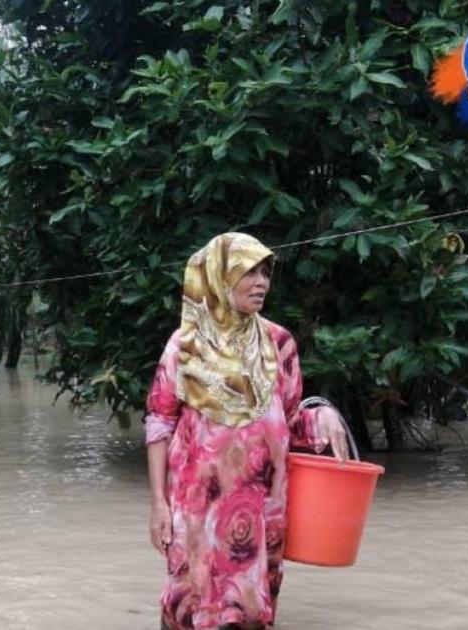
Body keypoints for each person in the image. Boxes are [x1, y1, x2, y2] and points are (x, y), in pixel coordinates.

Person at [145, 232, 350, 629]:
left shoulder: (279, 343)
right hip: (198, 510)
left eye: (266, 273)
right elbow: (159, 421)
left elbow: (289, 420)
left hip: (259, 511)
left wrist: (321, 413)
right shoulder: (184, 346)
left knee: (251, 612)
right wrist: (158, 504)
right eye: (249, 272)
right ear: (220, 277)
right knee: (193, 606)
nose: (261, 283)